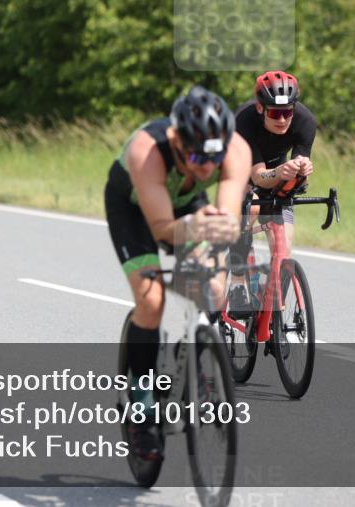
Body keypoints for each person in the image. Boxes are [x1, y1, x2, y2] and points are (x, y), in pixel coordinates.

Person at [105, 85, 251, 460]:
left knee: (214, 291)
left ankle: (193, 353)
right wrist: (196, 227)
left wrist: (222, 226)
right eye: (194, 155)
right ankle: (141, 406)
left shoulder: (236, 150)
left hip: (188, 206)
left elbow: (229, 217)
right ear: (176, 141)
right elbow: (163, 231)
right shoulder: (147, 151)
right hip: (137, 210)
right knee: (151, 301)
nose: (205, 166)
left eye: (212, 158)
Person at [228, 71, 317, 308]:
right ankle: (238, 280)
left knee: (284, 251)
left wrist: (302, 169)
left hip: (275, 166)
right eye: (276, 113)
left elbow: (295, 175)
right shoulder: (243, 121)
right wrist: (279, 172)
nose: (282, 120)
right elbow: (258, 175)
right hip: (240, 165)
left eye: (287, 112)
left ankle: (272, 308)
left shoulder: (305, 122)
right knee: (250, 205)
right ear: (260, 108)